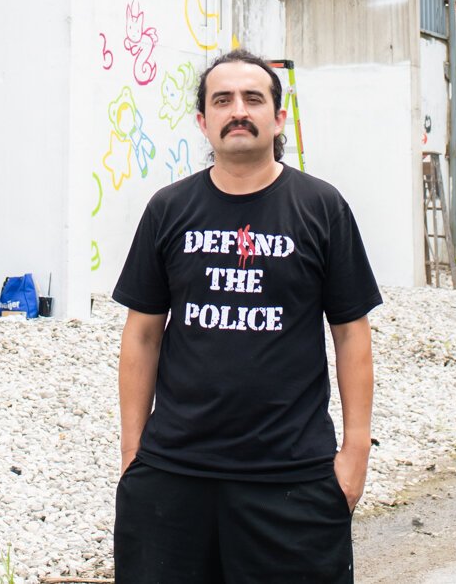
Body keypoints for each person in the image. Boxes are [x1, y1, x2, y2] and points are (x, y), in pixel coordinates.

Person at [113, 49, 381, 583]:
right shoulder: (168, 209)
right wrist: (134, 457)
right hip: (173, 475)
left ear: (277, 118)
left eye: (253, 99)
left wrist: (354, 454)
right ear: (203, 121)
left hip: (292, 479)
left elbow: (351, 335)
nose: (239, 110)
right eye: (223, 100)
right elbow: (142, 335)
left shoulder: (321, 207)